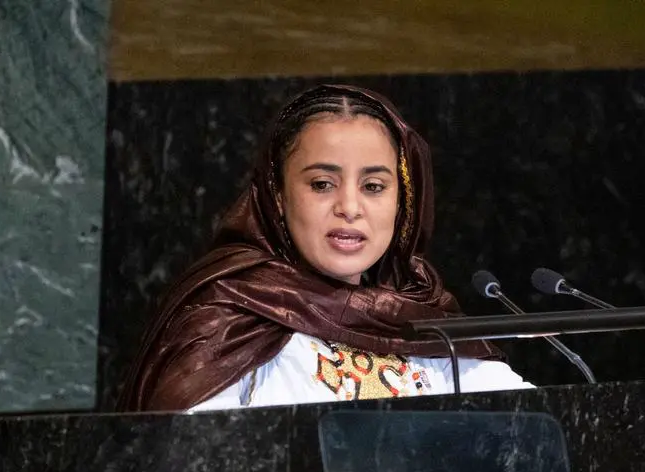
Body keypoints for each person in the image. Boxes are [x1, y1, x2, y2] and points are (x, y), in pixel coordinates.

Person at [118, 85, 533, 412]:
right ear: (278, 197)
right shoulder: (228, 320)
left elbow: (534, 425)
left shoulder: (423, 324)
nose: (349, 207)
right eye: (321, 184)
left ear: (403, 203)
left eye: (373, 186)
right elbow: (191, 471)